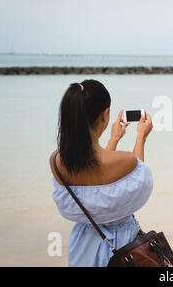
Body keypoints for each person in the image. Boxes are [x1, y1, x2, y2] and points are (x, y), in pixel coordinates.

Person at [49, 79, 153, 267]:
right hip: (124, 247)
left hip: (83, 247)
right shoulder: (125, 161)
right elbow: (138, 179)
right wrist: (141, 137)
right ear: (105, 115)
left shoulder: (57, 161)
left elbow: (97, 170)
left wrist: (113, 139)